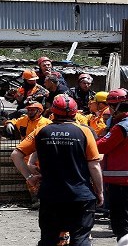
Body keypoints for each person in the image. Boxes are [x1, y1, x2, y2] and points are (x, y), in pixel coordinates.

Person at [11, 94, 103, 246]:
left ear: (53, 111)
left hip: (50, 195)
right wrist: (99, 192)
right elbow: (94, 165)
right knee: (80, 239)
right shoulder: (85, 132)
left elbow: (16, 155)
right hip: (80, 195)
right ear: (75, 113)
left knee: (49, 239)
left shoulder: (41, 131)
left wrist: (29, 177)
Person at [96, 88, 128, 243]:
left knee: (121, 225)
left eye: (111, 105)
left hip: (121, 184)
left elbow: (102, 146)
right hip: (121, 182)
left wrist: (91, 140)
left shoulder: (121, 127)